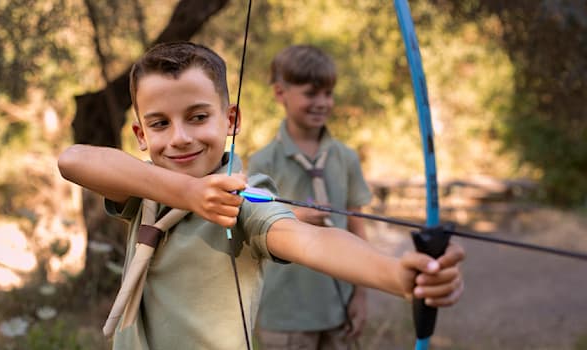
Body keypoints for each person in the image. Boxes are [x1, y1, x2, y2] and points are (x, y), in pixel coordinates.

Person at [57, 41, 465, 350]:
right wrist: (190, 192)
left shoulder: (244, 199)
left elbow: (311, 240)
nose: (180, 137)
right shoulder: (145, 190)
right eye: (160, 123)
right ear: (141, 136)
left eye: (198, 117)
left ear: (230, 119)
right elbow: (73, 160)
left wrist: (395, 276)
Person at [248, 44, 371, 349]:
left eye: (328, 94)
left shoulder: (346, 157)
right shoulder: (264, 162)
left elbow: (358, 226)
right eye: (311, 93)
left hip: (338, 308)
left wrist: (362, 293)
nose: (322, 103)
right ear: (280, 93)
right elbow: (253, 227)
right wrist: (297, 217)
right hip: (285, 314)